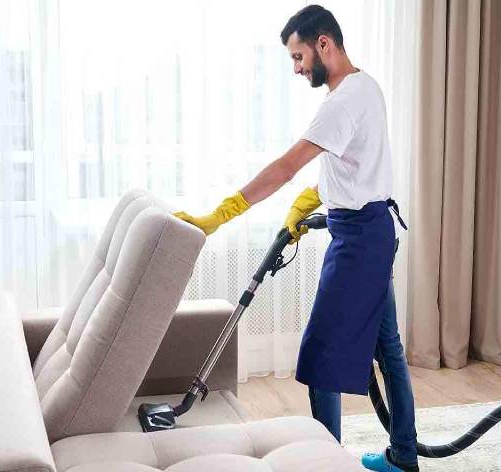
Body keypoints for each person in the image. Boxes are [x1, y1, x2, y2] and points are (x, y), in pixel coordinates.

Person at [174, 5, 418, 471]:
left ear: (324, 43)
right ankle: (404, 456)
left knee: (322, 356)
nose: (297, 67)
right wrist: (310, 202)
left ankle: (324, 462)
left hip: (359, 242)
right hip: (371, 231)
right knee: (388, 350)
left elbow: (286, 168)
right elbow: (352, 166)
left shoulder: (341, 102)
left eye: (299, 55)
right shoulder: (365, 87)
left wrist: (219, 215)